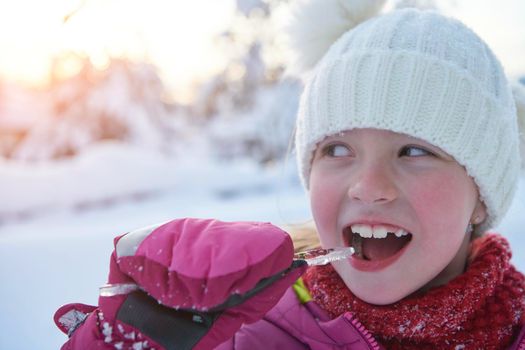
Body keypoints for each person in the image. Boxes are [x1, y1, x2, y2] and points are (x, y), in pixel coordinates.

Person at [54, 1, 525, 349]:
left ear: (481, 193)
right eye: (338, 149)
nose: (367, 187)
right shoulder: (245, 335)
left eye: (414, 150)